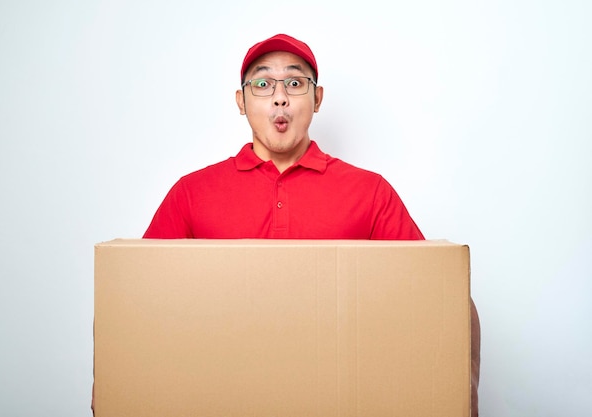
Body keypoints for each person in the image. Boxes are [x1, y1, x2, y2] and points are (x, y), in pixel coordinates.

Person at [96, 33, 480, 415]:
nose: (279, 96)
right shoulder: (192, 193)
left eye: (295, 83)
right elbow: (136, 299)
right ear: (241, 102)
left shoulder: (370, 192)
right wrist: (110, 387)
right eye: (262, 84)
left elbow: (440, 297)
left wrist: (463, 393)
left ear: (317, 99)